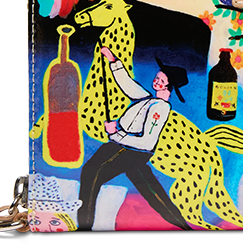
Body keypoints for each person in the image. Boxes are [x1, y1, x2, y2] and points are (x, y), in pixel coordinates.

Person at [77, 48, 192, 231]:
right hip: (122, 145)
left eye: (161, 80)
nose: (156, 81)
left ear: (168, 87)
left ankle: (84, 226)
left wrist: (115, 134)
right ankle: (183, 226)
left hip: (132, 150)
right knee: (150, 189)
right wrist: (113, 61)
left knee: (92, 173)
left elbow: (147, 142)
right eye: (157, 77)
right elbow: (127, 84)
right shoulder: (146, 98)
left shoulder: (160, 108)